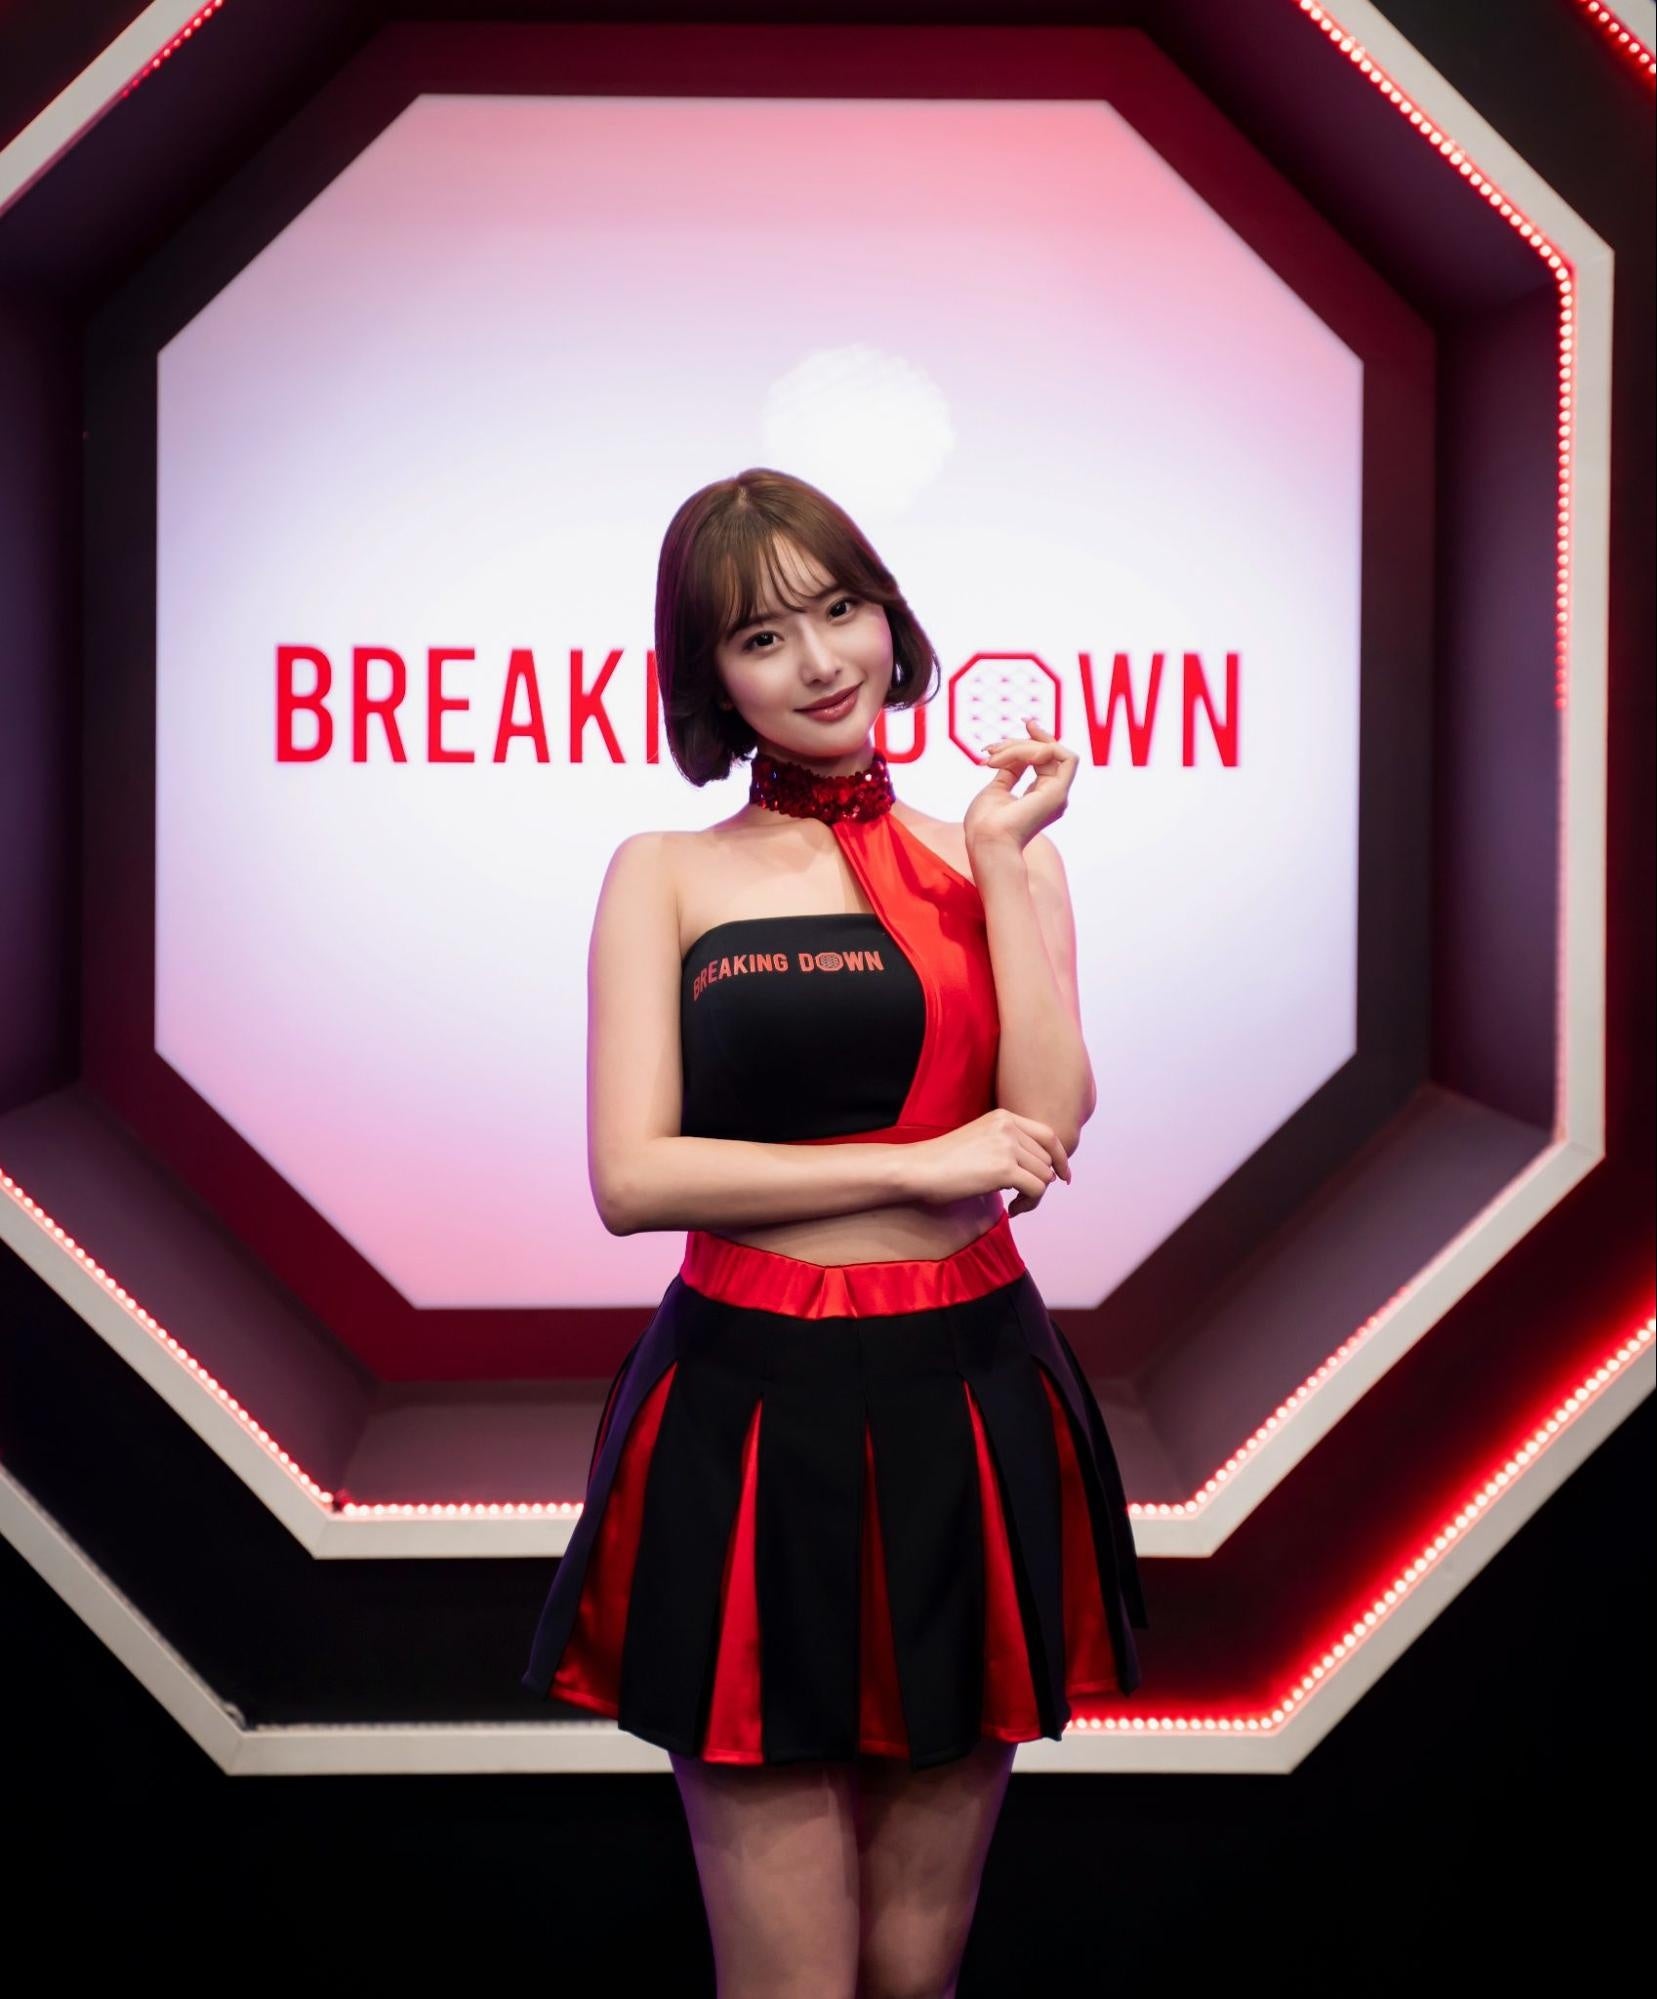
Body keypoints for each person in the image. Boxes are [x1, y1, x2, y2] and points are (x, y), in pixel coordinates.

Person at [522, 467, 1148, 1998]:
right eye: (761, 637)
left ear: (889, 619)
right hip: (752, 1411)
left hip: (969, 1396)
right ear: (709, 675)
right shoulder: (663, 875)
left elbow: (1045, 1126)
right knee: (788, 1981)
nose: (818, 663)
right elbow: (631, 1178)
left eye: (840, 611)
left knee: (915, 1969)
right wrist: (916, 1163)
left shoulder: (1002, 853)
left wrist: (997, 862)